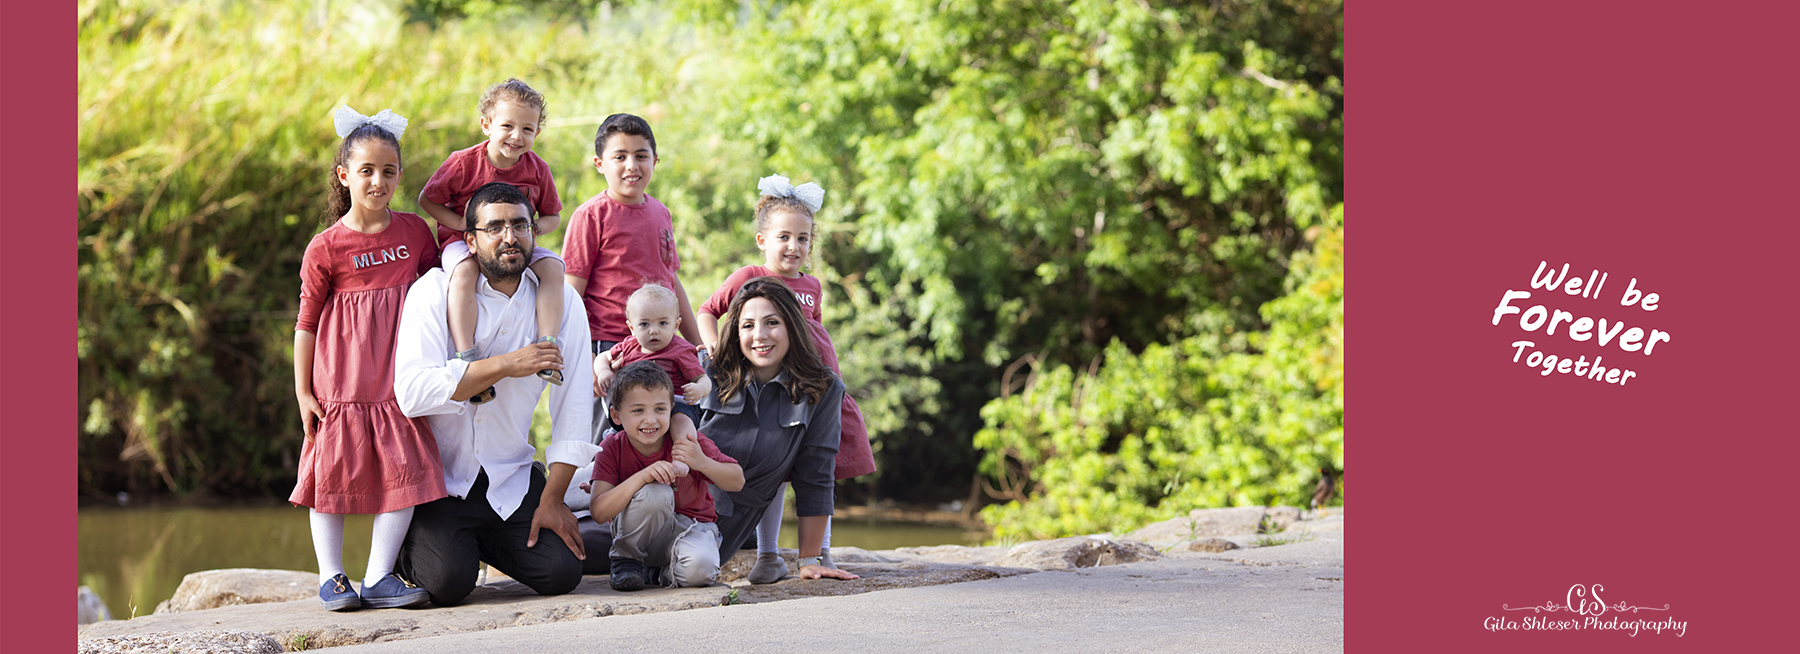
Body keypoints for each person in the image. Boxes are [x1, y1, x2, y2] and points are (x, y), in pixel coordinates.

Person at [391, 182, 596, 607]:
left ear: (534, 233)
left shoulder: (561, 303)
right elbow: (412, 393)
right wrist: (506, 365)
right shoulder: (432, 292)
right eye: (495, 227)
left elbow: (574, 405)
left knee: (562, 571)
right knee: (448, 583)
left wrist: (554, 497)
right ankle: (423, 548)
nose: (510, 237)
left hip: (511, 478)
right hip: (440, 483)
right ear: (470, 239)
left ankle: (486, 544)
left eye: (521, 226)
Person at [290, 105, 445, 611]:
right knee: (330, 476)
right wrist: (303, 392)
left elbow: (438, 295)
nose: (378, 181)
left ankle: (379, 576)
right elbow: (306, 324)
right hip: (342, 384)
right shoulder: (326, 247)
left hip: (400, 379)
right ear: (344, 175)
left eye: (389, 171)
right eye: (366, 171)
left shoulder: (415, 233)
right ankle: (332, 576)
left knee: (407, 471)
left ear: (400, 174)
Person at [697, 175, 875, 583]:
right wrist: (711, 350)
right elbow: (708, 310)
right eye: (784, 237)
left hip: (811, 387)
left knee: (819, 466)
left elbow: (816, 335)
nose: (793, 247)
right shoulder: (748, 277)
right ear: (762, 240)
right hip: (770, 386)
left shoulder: (812, 285)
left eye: (803, 239)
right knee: (773, 471)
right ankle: (769, 553)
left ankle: (820, 552)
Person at [700, 278, 859, 582]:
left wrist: (809, 560)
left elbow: (816, 477)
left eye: (772, 322)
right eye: (747, 326)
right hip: (659, 499)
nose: (759, 335)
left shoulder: (822, 390)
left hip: (718, 532)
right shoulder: (708, 372)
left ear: (792, 326)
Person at [416, 78, 567, 399]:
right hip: (465, 243)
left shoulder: (537, 169)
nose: (517, 136)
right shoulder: (463, 163)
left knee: (554, 267)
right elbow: (427, 199)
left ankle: (547, 346)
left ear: (537, 133)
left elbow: (553, 214)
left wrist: (532, 228)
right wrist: (459, 223)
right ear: (486, 125)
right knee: (465, 273)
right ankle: (466, 356)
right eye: (508, 126)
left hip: (516, 245)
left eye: (528, 129)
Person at [587, 362, 744, 590]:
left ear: (672, 408)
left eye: (660, 409)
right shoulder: (612, 446)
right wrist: (642, 477)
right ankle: (626, 562)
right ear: (616, 415)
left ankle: (656, 573)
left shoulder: (686, 442)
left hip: (690, 528)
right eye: (638, 410)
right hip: (639, 531)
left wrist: (702, 462)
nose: (650, 420)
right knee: (654, 492)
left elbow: (738, 481)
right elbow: (599, 512)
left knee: (701, 571)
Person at [594, 283, 712, 442]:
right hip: (637, 405)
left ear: (676, 325)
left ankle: (683, 452)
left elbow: (703, 379)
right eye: (644, 324)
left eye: (663, 323)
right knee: (620, 420)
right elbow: (603, 357)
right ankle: (612, 446)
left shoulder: (681, 351)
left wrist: (700, 389)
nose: (654, 330)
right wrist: (603, 371)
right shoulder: (629, 346)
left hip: (675, 404)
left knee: (681, 422)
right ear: (632, 328)